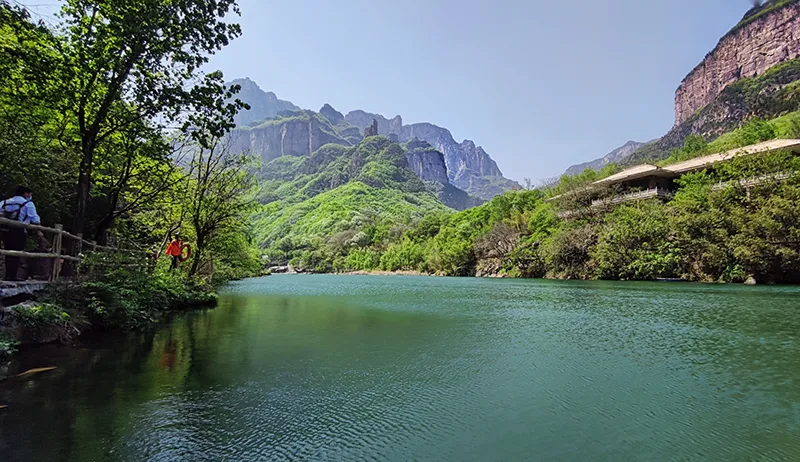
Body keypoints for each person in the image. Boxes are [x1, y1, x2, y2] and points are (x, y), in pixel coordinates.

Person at [1, 186, 42, 281]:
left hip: (4, 230)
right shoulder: (28, 204)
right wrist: (39, 231)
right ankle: (12, 276)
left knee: (8, 252)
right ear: (26, 194)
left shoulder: (4, 202)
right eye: (30, 194)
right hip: (18, 231)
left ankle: (8, 275)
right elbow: (35, 219)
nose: (30, 196)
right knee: (17, 253)